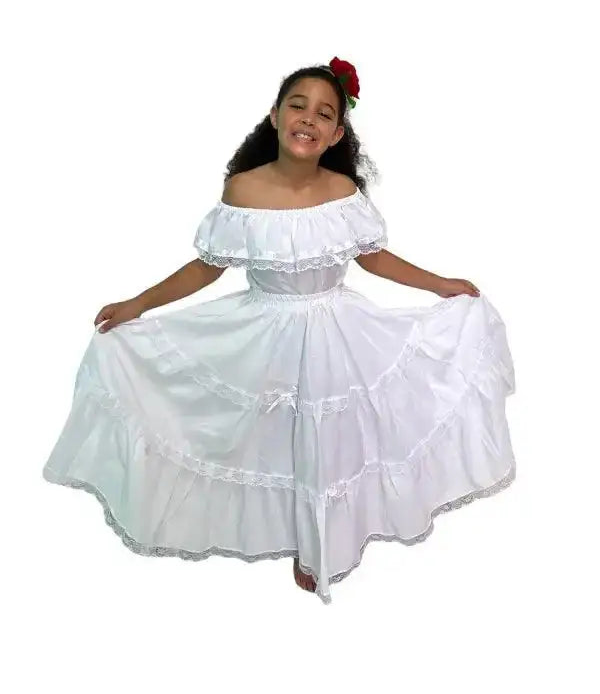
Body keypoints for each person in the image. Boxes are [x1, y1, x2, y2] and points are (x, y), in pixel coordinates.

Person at [42, 57, 516, 604]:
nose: (308, 118)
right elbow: (207, 267)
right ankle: (290, 532)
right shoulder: (243, 190)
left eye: (325, 113)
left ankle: (321, 545)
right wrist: (139, 304)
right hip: (264, 333)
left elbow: (373, 257)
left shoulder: (342, 190)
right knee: (272, 442)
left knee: (329, 440)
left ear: (336, 134)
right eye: (298, 105)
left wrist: (440, 285)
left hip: (336, 332)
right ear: (275, 115)